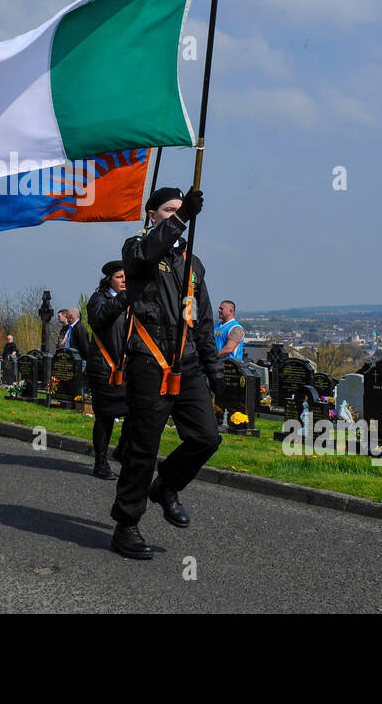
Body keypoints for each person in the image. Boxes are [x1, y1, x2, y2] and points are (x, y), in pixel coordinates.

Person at [109, 186, 223, 560]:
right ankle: (126, 525)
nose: (177, 213)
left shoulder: (193, 264)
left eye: (181, 208)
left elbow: (201, 320)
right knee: (143, 449)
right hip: (150, 361)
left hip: (187, 363)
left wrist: (215, 369)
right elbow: (145, 253)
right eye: (169, 209)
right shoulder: (136, 248)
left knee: (206, 438)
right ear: (152, 214)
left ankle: (167, 486)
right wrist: (180, 217)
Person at [86, 261, 129, 480]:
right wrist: (122, 300)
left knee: (138, 410)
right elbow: (100, 318)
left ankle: (122, 449)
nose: (124, 281)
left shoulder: (131, 301)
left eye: (126, 277)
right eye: (120, 277)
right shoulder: (99, 299)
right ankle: (100, 462)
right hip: (103, 367)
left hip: (127, 368)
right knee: (106, 416)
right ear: (109, 279)